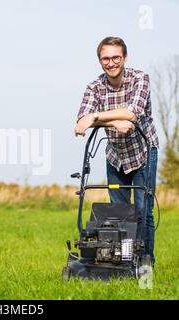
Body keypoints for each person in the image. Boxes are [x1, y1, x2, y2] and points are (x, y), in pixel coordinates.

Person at [74, 36, 159, 266]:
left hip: (143, 153)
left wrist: (97, 116)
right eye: (105, 59)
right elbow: (81, 121)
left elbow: (132, 113)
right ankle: (122, 261)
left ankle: (144, 261)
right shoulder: (94, 87)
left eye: (115, 58)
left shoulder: (140, 78)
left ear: (125, 58)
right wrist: (112, 122)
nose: (110, 63)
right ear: (100, 60)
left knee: (143, 212)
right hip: (115, 157)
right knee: (119, 213)